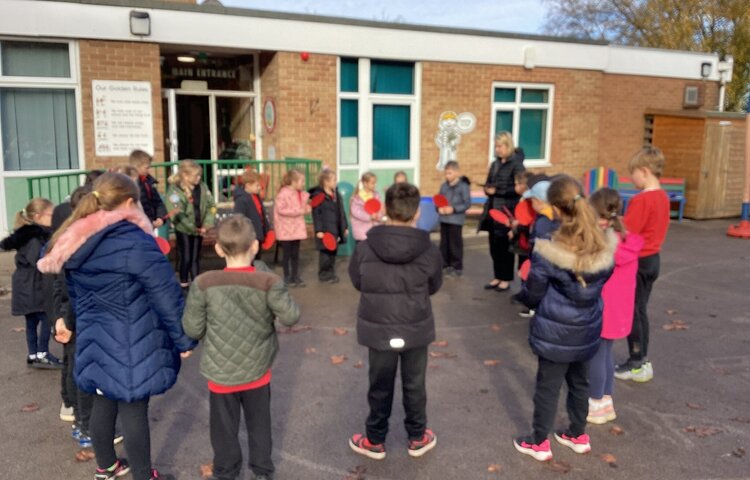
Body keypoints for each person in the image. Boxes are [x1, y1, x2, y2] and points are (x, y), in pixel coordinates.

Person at [38, 172, 196, 480]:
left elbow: (70, 288)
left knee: (102, 401)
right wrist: (183, 338)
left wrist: (69, 320)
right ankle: (142, 475)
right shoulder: (135, 241)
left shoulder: (74, 238)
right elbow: (166, 295)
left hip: (94, 337)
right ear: (128, 203)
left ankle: (106, 467)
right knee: (133, 407)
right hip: (132, 338)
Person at [182, 214, 300, 480]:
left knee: (223, 429)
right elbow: (291, 315)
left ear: (218, 249)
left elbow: (193, 329)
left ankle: (226, 471)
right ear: (255, 246)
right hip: (257, 368)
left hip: (220, 370)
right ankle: (261, 471)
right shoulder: (266, 281)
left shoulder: (204, 283)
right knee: (260, 425)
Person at [511, 175, 616, 462]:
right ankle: (578, 434)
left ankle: (539, 441)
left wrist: (525, 299)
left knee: (548, 386)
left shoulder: (549, 247)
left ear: (555, 208)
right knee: (579, 382)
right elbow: (604, 276)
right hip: (587, 326)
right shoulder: (600, 243)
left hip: (555, 330)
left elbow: (534, 288)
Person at [348, 182, 443, 461]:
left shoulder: (366, 247)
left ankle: (375, 439)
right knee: (415, 384)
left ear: (386, 210)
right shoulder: (429, 249)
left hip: (379, 328)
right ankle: (417, 436)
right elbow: (434, 285)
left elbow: (358, 280)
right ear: (416, 214)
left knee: (379, 385)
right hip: (415, 327)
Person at [615, 147, 671, 383]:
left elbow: (630, 231)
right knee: (641, 310)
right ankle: (641, 358)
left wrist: (614, 224)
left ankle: (637, 360)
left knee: (634, 311)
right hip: (653, 258)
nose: (631, 178)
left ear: (645, 171)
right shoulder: (663, 197)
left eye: (633, 173)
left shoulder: (641, 200)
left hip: (637, 260)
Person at [588, 188, 644, 424]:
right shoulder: (626, 240)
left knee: (596, 357)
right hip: (619, 310)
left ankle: (595, 402)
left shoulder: (604, 245)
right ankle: (606, 400)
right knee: (607, 354)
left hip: (603, 308)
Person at [1, 198, 59, 369]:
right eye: (51, 214)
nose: (53, 217)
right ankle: (41, 353)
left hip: (26, 284)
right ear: (38, 216)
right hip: (33, 285)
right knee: (45, 317)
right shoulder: (34, 239)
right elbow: (38, 261)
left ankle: (33, 353)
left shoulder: (27, 236)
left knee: (32, 321)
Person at [478, 132, 525, 291]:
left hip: (507, 210)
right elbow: (488, 183)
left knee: (506, 246)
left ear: (508, 145)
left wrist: (498, 190)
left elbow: (519, 188)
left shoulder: (516, 164)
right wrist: (487, 189)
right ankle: (497, 276)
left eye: (500, 146)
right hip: (492, 210)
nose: (497, 150)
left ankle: (506, 278)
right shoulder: (495, 164)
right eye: (496, 146)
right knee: (494, 246)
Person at [167, 160, 217, 288]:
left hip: (200, 228)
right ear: (185, 175)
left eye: (200, 175)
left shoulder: (203, 187)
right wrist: (194, 228)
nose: (199, 178)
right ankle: (183, 282)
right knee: (186, 257)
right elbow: (178, 213)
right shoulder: (175, 191)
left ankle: (196, 283)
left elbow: (212, 206)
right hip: (184, 229)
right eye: (196, 176)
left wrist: (206, 224)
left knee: (195, 257)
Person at [309, 168, 348, 283]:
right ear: (326, 182)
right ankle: (324, 275)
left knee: (333, 253)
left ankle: (331, 273)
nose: (336, 182)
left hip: (335, 229)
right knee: (325, 254)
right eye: (334, 180)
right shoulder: (319, 196)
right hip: (325, 231)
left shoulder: (336, 194)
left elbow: (341, 212)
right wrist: (319, 230)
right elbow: (316, 214)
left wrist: (344, 226)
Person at [273, 168, 310, 287]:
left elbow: (303, 207)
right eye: (301, 181)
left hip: (296, 229)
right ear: (293, 181)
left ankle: (295, 275)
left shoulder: (300, 194)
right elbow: (281, 209)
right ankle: (287, 277)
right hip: (286, 229)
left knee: (295, 254)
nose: (303, 184)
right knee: (287, 255)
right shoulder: (283, 193)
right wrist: (299, 211)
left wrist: (307, 208)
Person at [437, 161, 471, 277]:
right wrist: (439, 208)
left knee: (455, 244)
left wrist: (454, 209)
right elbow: (438, 200)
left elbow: (467, 203)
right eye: (446, 173)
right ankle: (445, 265)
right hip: (444, 219)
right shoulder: (444, 186)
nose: (447, 176)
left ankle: (457, 267)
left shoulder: (463, 186)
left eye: (450, 173)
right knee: (444, 244)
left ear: (457, 172)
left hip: (456, 220)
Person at [233, 169, 273, 263]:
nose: (260, 188)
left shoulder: (256, 196)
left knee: (257, 260)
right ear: (248, 186)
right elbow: (239, 219)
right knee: (250, 261)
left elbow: (261, 215)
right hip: (249, 236)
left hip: (258, 235)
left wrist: (267, 230)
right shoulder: (241, 200)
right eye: (257, 185)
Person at [130, 150, 168, 229]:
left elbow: (158, 202)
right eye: (146, 168)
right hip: (139, 226)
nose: (148, 170)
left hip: (150, 225)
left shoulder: (148, 182)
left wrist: (160, 217)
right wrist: (149, 221)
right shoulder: (131, 185)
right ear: (137, 167)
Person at [350, 172, 382, 243]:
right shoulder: (356, 198)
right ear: (365, 183)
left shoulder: (376, 195)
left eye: (375, 183)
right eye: (372, 183)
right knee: (363, 253)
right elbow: (356, 212)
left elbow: (380, 209)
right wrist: (369, 217)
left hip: (375, 232)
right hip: (362, 233)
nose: (375, 185)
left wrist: (378, 216)